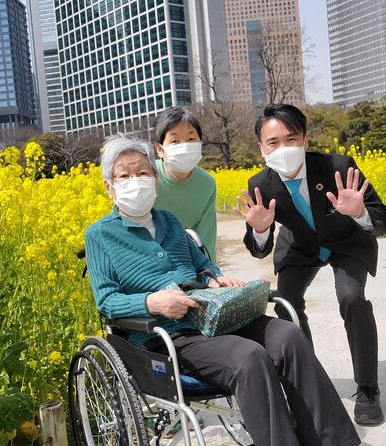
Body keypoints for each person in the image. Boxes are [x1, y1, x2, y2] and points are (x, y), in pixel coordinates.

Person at [84, 133, 361, 446]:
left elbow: (203, 264)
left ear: (156, 180)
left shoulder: (170, 222)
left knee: (288, 336)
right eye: (125, 176)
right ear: (109, 186)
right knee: (250, 357)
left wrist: (215, 279)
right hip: (168, 337)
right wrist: (152, 302)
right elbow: (107, 301)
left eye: (143, 173)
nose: (136, 181)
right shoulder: (100, 235)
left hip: (214, 318)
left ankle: (333, 441)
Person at [235, 103, 386, 426]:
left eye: (291, 139)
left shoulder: (339, 167)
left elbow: (382, 220)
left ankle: (367, 388)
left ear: (306, 140)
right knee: (287, 303)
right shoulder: (260, 185)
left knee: (351, 297)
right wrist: (260, 230)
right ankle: (310, 384)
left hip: (346, 241)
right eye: (273, 142)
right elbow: (259, 250)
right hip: (300, 245)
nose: (283, 148)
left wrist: (359, 212)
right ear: (261, 148)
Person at [152, 106, 218, 261]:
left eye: (191, 139)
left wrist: (210, 271)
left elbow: (206, 237)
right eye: (175, 141)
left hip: (185, 256)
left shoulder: (207, 184)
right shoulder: (147, 177)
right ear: (160, 149)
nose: (184, 146)